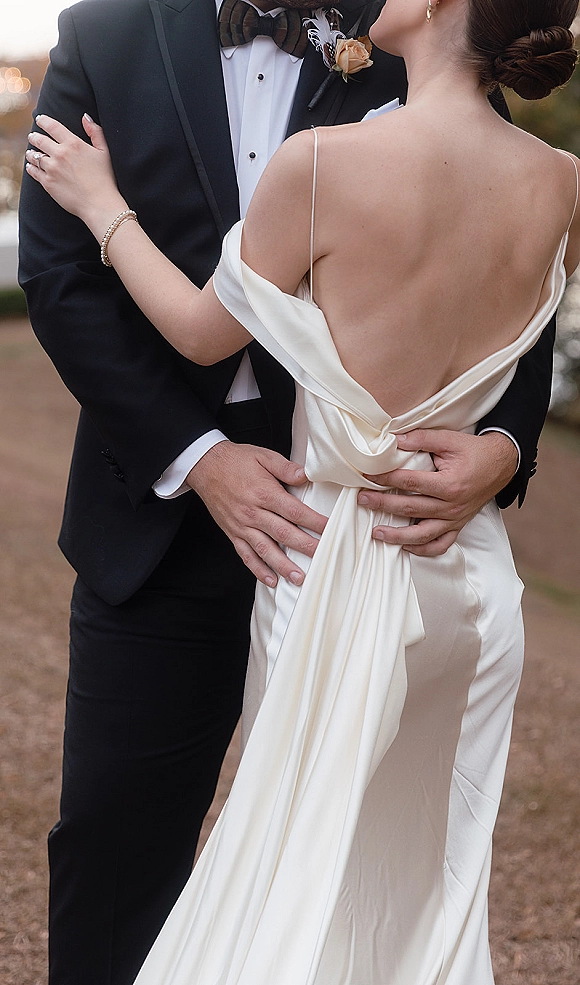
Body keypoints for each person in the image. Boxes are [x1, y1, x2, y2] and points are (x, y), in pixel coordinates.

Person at [18, 0, 559, 982]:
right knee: (118, 842)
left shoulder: (400, 50)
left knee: (332, 868)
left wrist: (505, 446)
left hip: (363, 535)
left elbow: (502, 270)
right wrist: (198, 457)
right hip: (164, 522)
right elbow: (57, 279)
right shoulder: (105, 32)